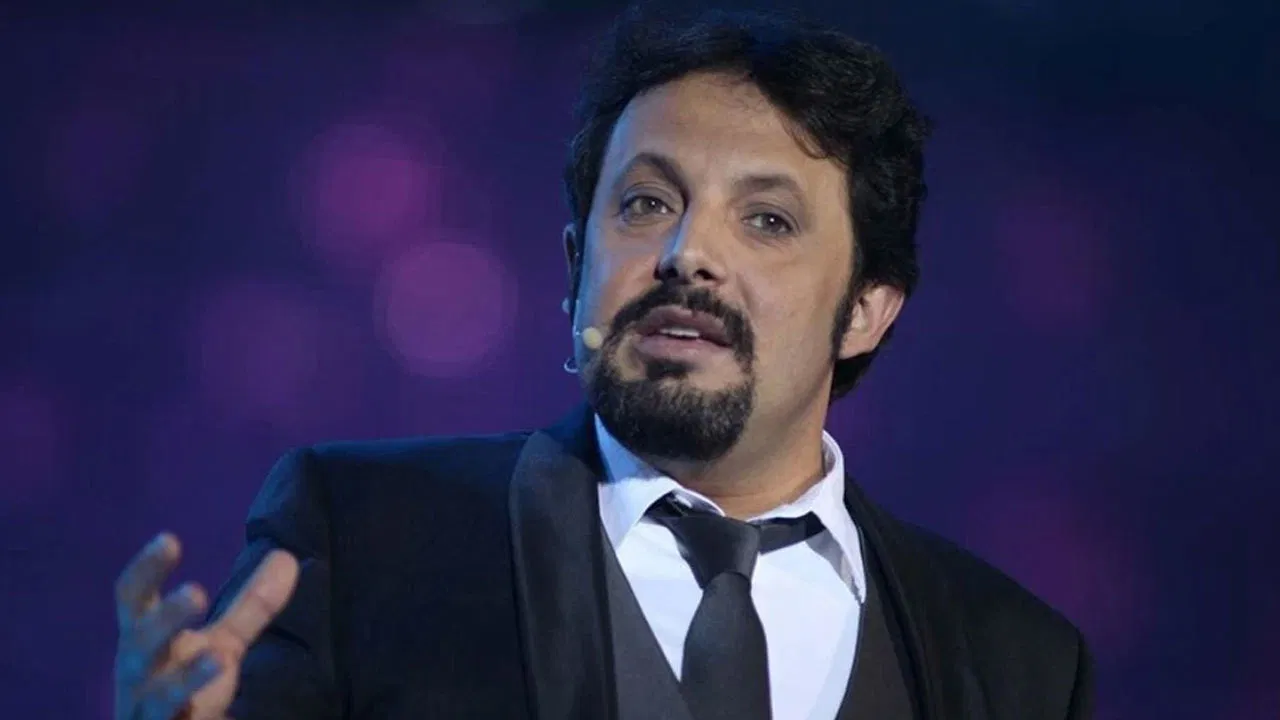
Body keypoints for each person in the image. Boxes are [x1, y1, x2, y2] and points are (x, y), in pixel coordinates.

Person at [113, 7, 1094, 720]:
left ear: (866, 313)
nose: (686, 253)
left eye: (767, 220)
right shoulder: (361, 538)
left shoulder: (1017, 663)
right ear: (577, 265)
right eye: (645, 203)